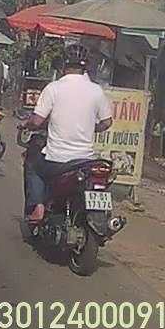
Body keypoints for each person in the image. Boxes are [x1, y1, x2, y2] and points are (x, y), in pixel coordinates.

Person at [21, 43, 114, 222]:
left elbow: (37, 121)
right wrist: (90, 128)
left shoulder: (54, 88)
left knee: (32, 166)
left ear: (63, 65)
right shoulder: (96, 90)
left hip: (57, 160)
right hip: (85, 161)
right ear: (85, 66)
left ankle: (38, 207)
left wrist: (26, 124)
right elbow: (107, 122)